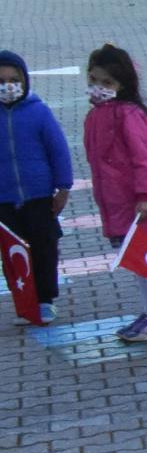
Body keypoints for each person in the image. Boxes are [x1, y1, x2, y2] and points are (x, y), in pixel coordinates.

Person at [84, 45, 147, 344]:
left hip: (140, 205)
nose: (100, 88)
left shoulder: (129, 114)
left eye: (107, 83)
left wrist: (146, 195)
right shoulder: (96, 116)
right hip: (117, 204)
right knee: (137, 262)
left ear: (123, 84)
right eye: (95, 80)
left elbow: (144, 157)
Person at [0, 50, 75, 322]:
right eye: (1, 80)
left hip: (39, 196)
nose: (8, 85)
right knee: (13, 252)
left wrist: (63, 187)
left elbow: (58, 150)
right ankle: (24, 298)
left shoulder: (38, 112)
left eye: (13, 79)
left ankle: (45, 298)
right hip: (4, 200)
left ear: (24, 81)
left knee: (44, 247)